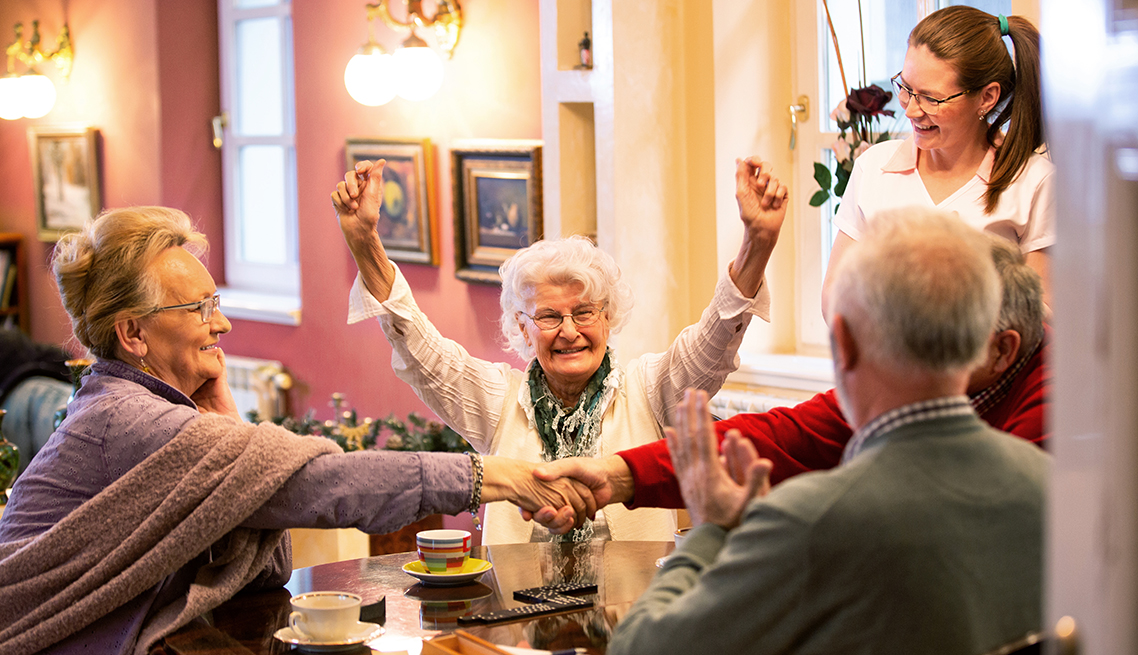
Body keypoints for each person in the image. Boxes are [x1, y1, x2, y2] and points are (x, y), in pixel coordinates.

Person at [0, 207, 595, 655]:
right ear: (133, 334)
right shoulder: (127, 419)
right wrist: (492, 475)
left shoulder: (152, 408)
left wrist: (228, 426)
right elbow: (323, 483)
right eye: (200, 309)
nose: (224, 323)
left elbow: (269, 566)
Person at [607, 208, 1048, 655]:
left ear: (843, 342)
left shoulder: (811, 522)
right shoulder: (1051, 487)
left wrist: (712, 532)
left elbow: (641, 648)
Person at [332, 156, 789, 544]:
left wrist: (758, 244)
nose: (569, 331)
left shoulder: (648, 389)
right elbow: (423, 354)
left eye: (585, 312)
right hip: (516, 623)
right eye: (549, 317)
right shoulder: (498, 401)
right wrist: (365, 243)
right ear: (523, 328)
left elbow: (708, 346)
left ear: (607, 317)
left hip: (634, 618)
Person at [531, 234, 1049, 514]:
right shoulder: (928, 381)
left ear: (1004, 350)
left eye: (951, 335)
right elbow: (786, 438)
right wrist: (619, 474)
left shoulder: (1058, 410)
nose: (921, 353)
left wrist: (728, 525)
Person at [822, 6, 1052, 319]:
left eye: (932, 99)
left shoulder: (1034, 182)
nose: (912, 111)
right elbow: (834, 302)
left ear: (987, 97)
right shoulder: (874, 167)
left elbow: (1040, 323)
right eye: (905, 88)